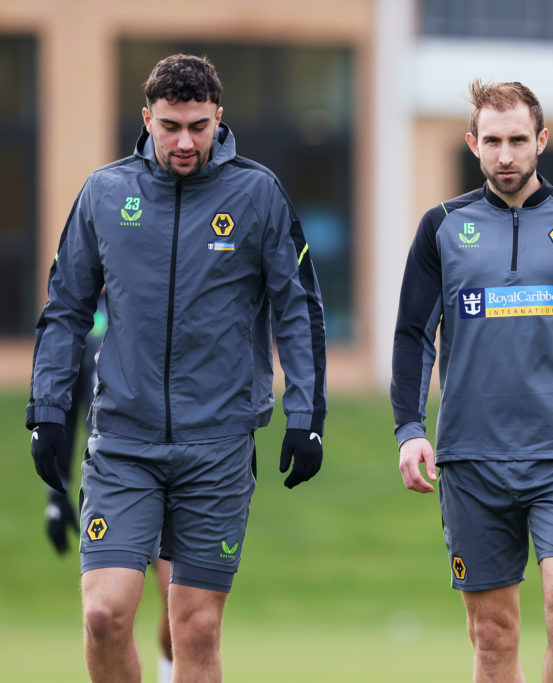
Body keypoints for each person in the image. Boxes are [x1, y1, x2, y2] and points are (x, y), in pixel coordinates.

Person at [27, 54, 327, 682]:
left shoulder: (257, 193)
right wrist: (48, 413)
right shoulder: (105, 193)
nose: (185, 141)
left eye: (199, 126)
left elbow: (298, 310)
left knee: (195, 628)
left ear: (219, 118)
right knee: (105, 616)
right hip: (124, 443)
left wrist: (307, 415)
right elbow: (65, 311)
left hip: (216, 447)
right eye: (170, 126)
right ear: (146, 120)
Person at [391, 79, 553, 682]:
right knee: (492, 634)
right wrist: (409, 429)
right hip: (472, 459)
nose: (505, 155)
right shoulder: (441, 227)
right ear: (472, 144)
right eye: (492, 141)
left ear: (541, 140)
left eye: (517, 140)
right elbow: (412, 336)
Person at [43, 295, 175, 683]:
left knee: (179, 601)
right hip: (113, 476)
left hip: (175, 472)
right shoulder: (84, 318)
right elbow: (64, 409)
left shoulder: (166, 296)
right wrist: (56, 494)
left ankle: (169, 674)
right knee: (105, 614)